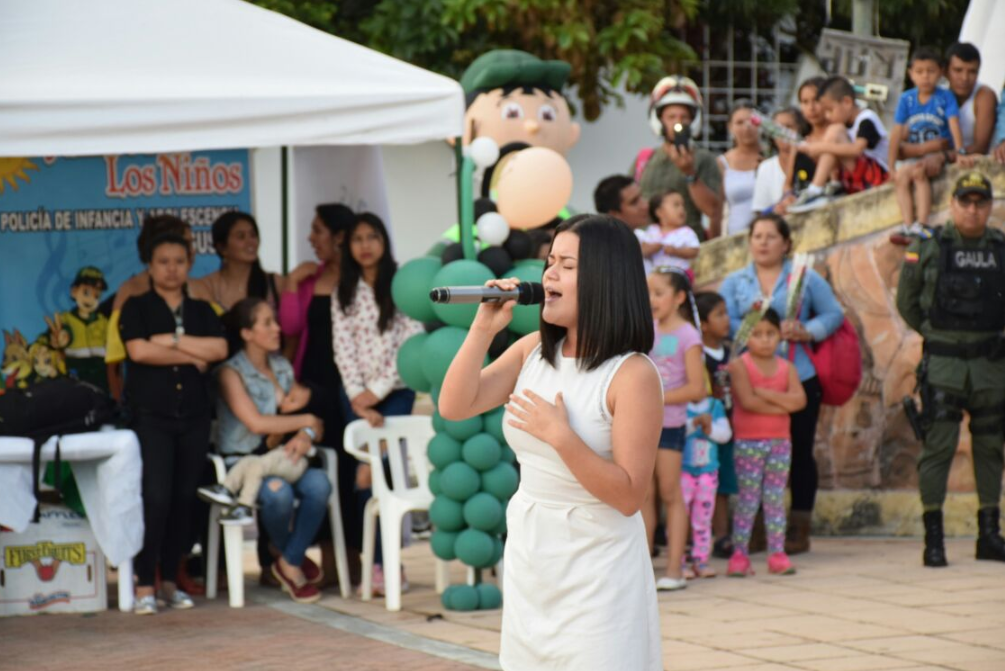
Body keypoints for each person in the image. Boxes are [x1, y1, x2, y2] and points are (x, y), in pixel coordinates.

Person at [439, 214, 663, 669]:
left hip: (598, 562)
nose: (549, 275)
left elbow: (628, 495)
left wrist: (562, 437)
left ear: (604, 279)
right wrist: (482, 328)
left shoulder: (632, 374)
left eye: (567, 265)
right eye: (549, 262)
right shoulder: (532, 353)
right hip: (533, 551)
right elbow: (455, 405)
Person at [895, 171, 1005, 567]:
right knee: (938, 448)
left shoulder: (1000, 247)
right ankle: (934, 539)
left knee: (991, 446)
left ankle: (989, 534)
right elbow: (906, 302)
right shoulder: (929, 246)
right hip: (943, 363)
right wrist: (936, 334)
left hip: (991, 364)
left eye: (980, 202)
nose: (972, 209)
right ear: (953, 204)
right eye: (965, 201)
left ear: (989, 206)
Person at [718, 214, 844, 554]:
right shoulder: (736, 282)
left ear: (786, 243)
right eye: (756, 236)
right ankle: (755, 530)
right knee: (751, 452)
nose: (762, 242)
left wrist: (806, 331)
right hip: (750, 376)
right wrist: (759, 332)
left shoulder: (804, 277)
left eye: (770, 236)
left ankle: (798, 530)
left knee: (800, 452)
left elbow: (833, 314)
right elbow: (722, 320)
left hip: (797, 374)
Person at [119, 233, 228, 615]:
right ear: (150, 265)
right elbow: (138, 351)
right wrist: (186, 351)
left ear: (189, 264)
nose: (171, 268)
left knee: (184, 500)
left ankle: (169, 583)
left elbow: (218, 350)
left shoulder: (202, 311)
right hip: (152, 419)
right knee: (156, 498)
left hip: (194, 418)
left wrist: (172, 340)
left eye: (179, 261)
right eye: (163, 261)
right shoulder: (136, 306)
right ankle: (145, 581)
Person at [214, 297, 332, 602]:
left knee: (320, 484)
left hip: (281, 458)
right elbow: (255, 423)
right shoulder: (230, 373)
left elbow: (299, 416)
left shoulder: (281, 366)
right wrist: (307, 419)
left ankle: (287, 558)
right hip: (246, 464)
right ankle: (292, 562)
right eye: (267, 323)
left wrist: (306, 433)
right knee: (278, 493)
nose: (278, 329)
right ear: (246, 333)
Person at [333, 212, 424, 594]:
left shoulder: (400, 284)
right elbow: (342, 346)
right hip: (354, 396)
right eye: (358, 238)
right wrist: (358, 396)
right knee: (362, 477)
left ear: (384, 241)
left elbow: (410, 337)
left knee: (384, 473)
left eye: (373, 237)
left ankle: (390, 563)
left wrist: (379, 390)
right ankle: (375, 564)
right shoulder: (345, 291)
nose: (365, 245)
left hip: (395, 392)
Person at [279, 202, 356, 585]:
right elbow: (290, 326)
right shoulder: (312, 279)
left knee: (352, 473)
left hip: (356, 392)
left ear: (339, 237)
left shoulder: (363, 281)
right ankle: (328, 563)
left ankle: (362, 561)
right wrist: (293, 284)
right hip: (314, 388)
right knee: (321, 469)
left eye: (317, 230)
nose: (311, 238)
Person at [726, 308, 806, 576]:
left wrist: (764, 394)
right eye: (757, 334)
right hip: (748, 442)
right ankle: (739, 555)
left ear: (779, 336)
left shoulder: (787, 367)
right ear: (747, 336)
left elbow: (800, 401)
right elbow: (748, 402)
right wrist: (782, 403)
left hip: (780, 442)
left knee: (774, 499)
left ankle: (777, 553)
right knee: (748, 500)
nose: (764, 340)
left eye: (770, 333)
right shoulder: (740, 365)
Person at [645, 267, 706, 591]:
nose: (651, 299)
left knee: (670, 494)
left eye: (659, 293)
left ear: (679, 297)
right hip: (641, 425)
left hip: (670, 426)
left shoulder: (688, 336)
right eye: (649, 292)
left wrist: (656, 397)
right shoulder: (645, 328)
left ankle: (674, 570)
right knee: (643, 495)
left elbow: (698, 388)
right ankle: (640, 573)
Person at [105, 215, 193, 400]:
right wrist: (120, 407)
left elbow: (219, 347)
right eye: (186, 243)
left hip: (195, 402)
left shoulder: (198, 289)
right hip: (147, 403)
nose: (192, 250)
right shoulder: (131, 292)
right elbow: (114, 363)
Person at [888, 47, 964, 241]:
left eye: (930, 71)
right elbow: (896, 132)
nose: (925, 77)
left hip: (936, 155)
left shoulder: (945, 97)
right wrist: (890, 166)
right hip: (914, 154)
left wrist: (960, 151)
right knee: (902, 178)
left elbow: (954, 123)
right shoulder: (907, 98)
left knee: (919, 173)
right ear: (911, 74)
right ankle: (907, 225)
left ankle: (922, 223)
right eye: (919, 71)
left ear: (940, 72)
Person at [637, 76, 723, 240]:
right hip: (649, 250)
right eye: (671, 117)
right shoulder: (645, 159)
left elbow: (713, 210)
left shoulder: (704, 159)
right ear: (660, 120)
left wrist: (690, 173)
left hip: (687, 248)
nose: (678, 123)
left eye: (684, 117)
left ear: (693, 121)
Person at [791, 76, 890, 211]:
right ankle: (833, 184)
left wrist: (819, 146)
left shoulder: (867, 119)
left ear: (847, 102)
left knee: (834, 132)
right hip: (860, 177)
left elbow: (856, 150)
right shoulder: (847, 125)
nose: (827, 116)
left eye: (830, 110)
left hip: (878, 177)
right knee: (833, 137)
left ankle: (815, 189)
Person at [695, 291, 738, 558]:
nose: (726, 319)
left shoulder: (732, 351)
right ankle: (698, 537)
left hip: (728, 426)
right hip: (702, 429)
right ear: (703, 324)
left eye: (726, 313)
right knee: (699, 482)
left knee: (723, 484)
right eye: (719, 314)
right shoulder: (697, 354)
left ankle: (722, 536)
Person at [189, 211, 286, 316]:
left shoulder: (275, 283)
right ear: (222, 247)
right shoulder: (205, 286)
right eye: (241, 237)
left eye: (253, 235)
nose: (250, 242)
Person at [681, 385, 731, 579]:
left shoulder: (714, 406)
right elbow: (674, 431)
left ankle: (701, 559)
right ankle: (680, 560)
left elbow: (725, 435)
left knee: (703, 518)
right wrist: (694, 423)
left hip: (708, 473)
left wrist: (709, 429)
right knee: (680, 517)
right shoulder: (679, 407)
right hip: (683, 472)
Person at [751, 108, 810, 215]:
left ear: (800, 129)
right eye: (778, 128)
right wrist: (776, 210)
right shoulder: (766, 168)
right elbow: (760, 212)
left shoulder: (811, 159)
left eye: (789, 127)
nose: (783, 133)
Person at [944, 42, 998, 158]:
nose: (965, 78)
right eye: (958, 70)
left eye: (972, 72)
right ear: (945, 72)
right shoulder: (936, 94)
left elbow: (980, 147)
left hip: (972, 165)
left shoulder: (984, 96)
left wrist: (944, 157)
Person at [718, 100, 761, 235]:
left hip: (767, 235)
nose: (747, 127)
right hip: (733, 236)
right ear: (730, 127)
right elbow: (717, 209)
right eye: (739, 123)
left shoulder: (772, 159)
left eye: (751, 121)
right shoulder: (722, 163)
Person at [593, 175, 651, 270]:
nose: (645, 205)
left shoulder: (644, 237)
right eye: (634, 202)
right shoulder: (604, 253)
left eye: (641, 196)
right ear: (614, 214)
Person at [640, 191, 700, 274]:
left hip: (680, 274)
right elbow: (643, 249)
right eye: (676, 205)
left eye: (683, 205)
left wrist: (676, 251)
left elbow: (695, 251)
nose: (681, 209)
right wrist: (652, 248)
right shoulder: (652, 229)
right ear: (659, 212)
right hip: (656, 275)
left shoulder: (686, 232)